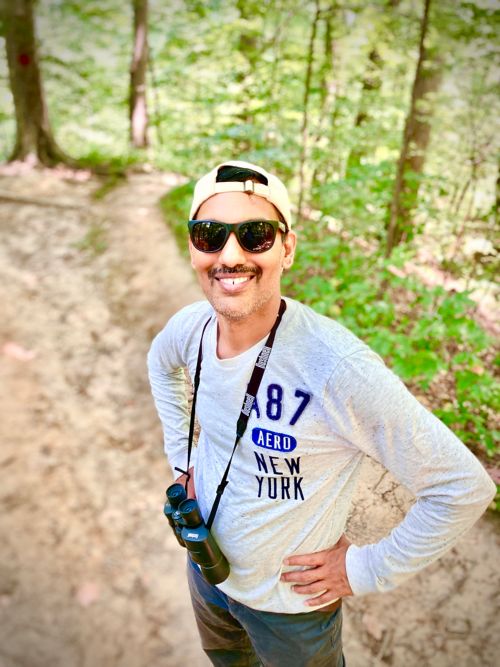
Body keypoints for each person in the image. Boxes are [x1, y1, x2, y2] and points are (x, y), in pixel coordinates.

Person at [147, 160, 496, 666]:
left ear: (287, 248)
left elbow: (463, 487)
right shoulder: (191, 329)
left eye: (255, 235)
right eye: (210, 235)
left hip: (293, 611)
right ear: (193, 248)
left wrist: (363, 570)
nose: (230, 254)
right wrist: (183, 462)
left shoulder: (335, 367)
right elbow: (161, 366)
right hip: (207, 570)